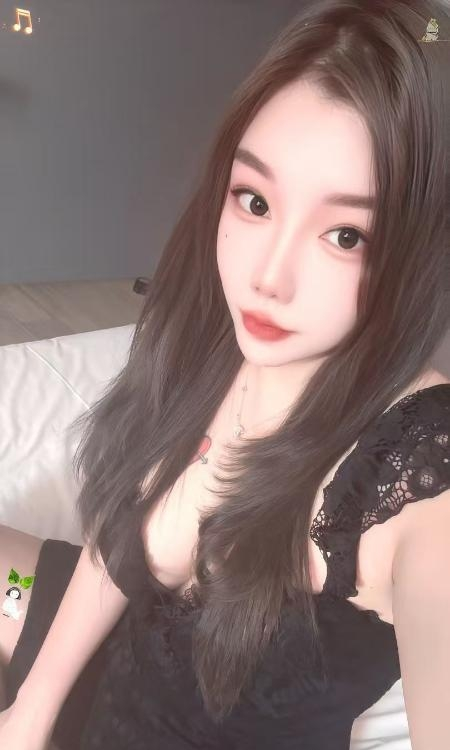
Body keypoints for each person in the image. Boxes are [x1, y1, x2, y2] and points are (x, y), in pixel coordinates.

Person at [1, 0, 449, 748]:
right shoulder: (219, 334)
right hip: (101, 654)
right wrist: (30, 712)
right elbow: (119, 543)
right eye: (256, 201)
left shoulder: (419, 478)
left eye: (346, 235)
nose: (268, 277)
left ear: (418, 251)